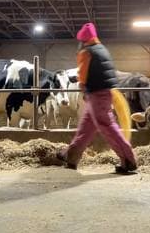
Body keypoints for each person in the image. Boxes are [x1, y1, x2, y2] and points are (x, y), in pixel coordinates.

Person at [57, 22, 137, 174]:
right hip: (104, 93)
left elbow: (83, 76)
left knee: (108, 127)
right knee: (85, 128)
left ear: (83, 40)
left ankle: (129, 160)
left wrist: (82, 86)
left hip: (96, 94)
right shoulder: (102, 49)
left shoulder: (87, 52)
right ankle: (71, 157)